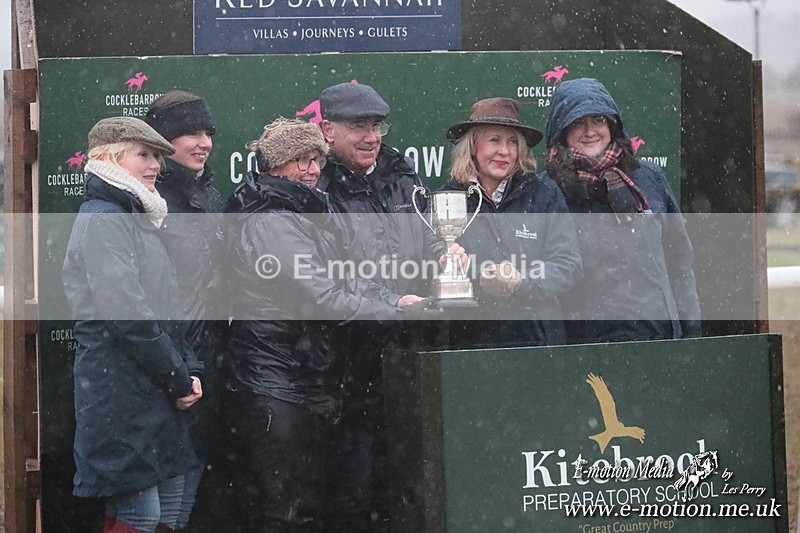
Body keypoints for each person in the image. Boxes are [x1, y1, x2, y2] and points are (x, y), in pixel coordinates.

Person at [223, 117, 427, 532]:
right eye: (300, 160)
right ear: (274, 166)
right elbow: (322, 297)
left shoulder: (302, 212)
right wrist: (394, 310)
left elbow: (342, 276)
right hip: (273, 381)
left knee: (307, 505)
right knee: (290, 510)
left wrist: (394, 298)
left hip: (300, 378)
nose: (313, 169)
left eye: (315, 158)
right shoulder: (271, 220)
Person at [317, 82, 457, 531]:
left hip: (410, 358)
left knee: (407, 489)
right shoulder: (315, 188)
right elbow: (328, 275)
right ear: (327, 130)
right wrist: (392, 302)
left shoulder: (403, 175)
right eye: (358, 126)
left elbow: (433, 232)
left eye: (376, 126)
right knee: (352, 496)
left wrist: (444, 253)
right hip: (345, 366)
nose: (371, 137)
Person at [62, 117, 203, 533]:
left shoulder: (139, 217)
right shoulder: (105, 219)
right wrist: (179, 377)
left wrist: (189, 369)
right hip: (120, 399)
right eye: (143, 155)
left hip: (156, 395)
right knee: (142, 517)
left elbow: (167, 314)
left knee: (172, 514)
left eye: (158, 156)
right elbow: (129, 317)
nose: (155, 165)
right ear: (110, 158)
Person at [542, 77, 701, 342]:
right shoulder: (547, 191)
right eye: (578, 122)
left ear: (612, 125)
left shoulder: (649, 179)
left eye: (598, 120)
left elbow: (679, 262)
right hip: (581, 348)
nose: (590, 131)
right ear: (562, 131)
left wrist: (691, 331)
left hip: (655, 339)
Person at [440, 97, 583, 347]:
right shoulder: (447, 199)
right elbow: (433, 260)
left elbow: (568, 267)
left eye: (512, 142)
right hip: (472, 346)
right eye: (494, 140)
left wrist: (521, 281)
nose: (504, 151)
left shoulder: (544, 195)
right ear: (473, 146)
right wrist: (480, 278)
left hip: (539, 345)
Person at [145, 90, 225, 532]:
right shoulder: (150, 204)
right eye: (190, 133)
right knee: (154, 509)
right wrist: (176, 371)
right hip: (170, 372)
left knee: (184, 501)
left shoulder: (211, 198)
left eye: (208, 132)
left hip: (209, 367)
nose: (203, 142)